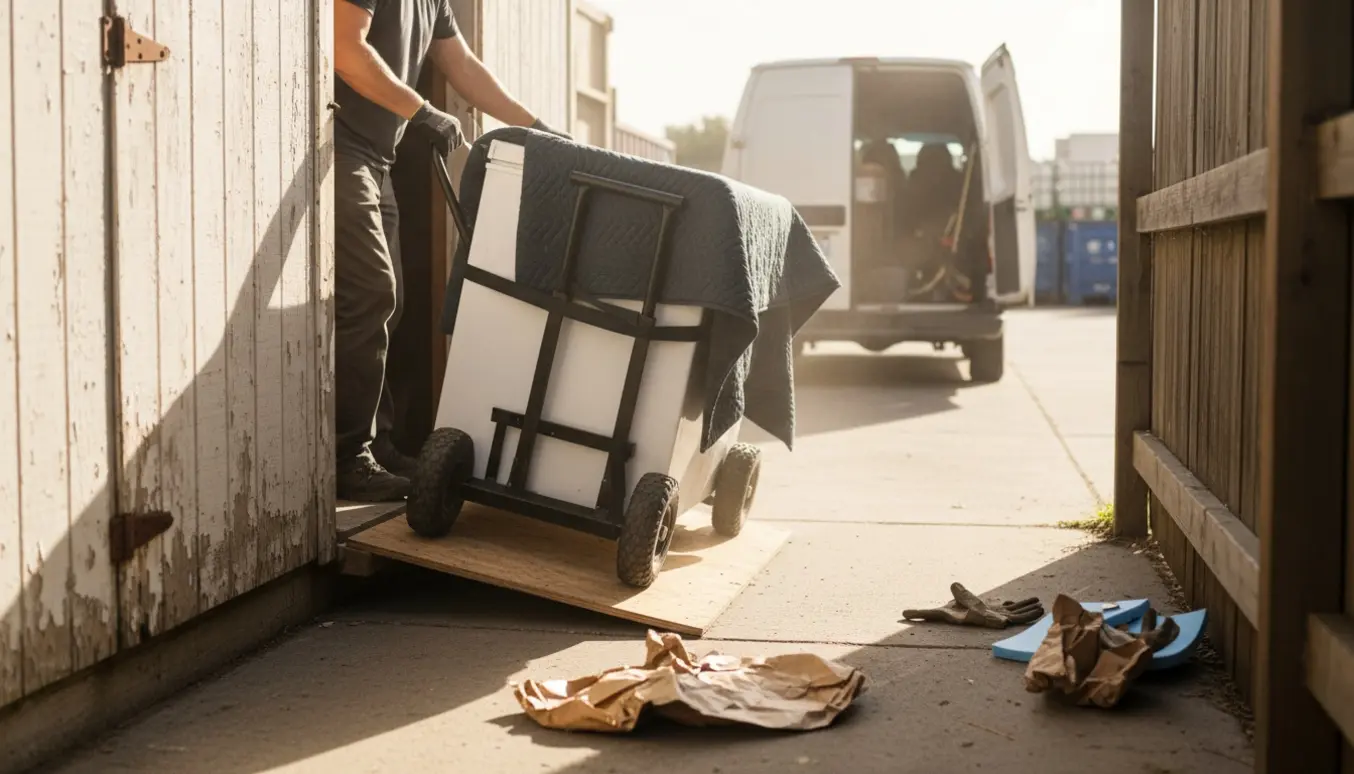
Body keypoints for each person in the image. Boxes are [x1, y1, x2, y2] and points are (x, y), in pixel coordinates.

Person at [333, 0, 566, 501]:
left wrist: (538, 130)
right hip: (339, 148)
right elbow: (344, 48)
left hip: (377, 160)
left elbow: (461, 65)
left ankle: (378, 444)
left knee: (387, 306)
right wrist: (421, 110)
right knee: (373, 293)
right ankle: (346, 457)